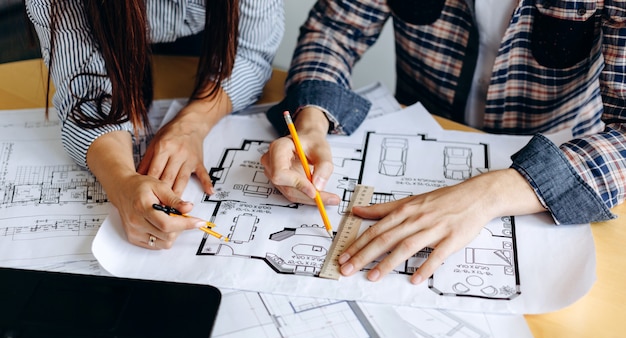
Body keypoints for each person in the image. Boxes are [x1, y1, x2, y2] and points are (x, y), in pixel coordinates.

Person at [261, 0, 626, 284]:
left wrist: (490, 193)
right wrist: (311, 119)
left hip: (554, 169)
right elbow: (335, 30)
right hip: (419, 135)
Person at [25, 0, 284, 249]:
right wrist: (122, 181)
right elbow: (86, 93)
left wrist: (191, 124)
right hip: (102, 32)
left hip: (204, 43)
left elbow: (249, 53)